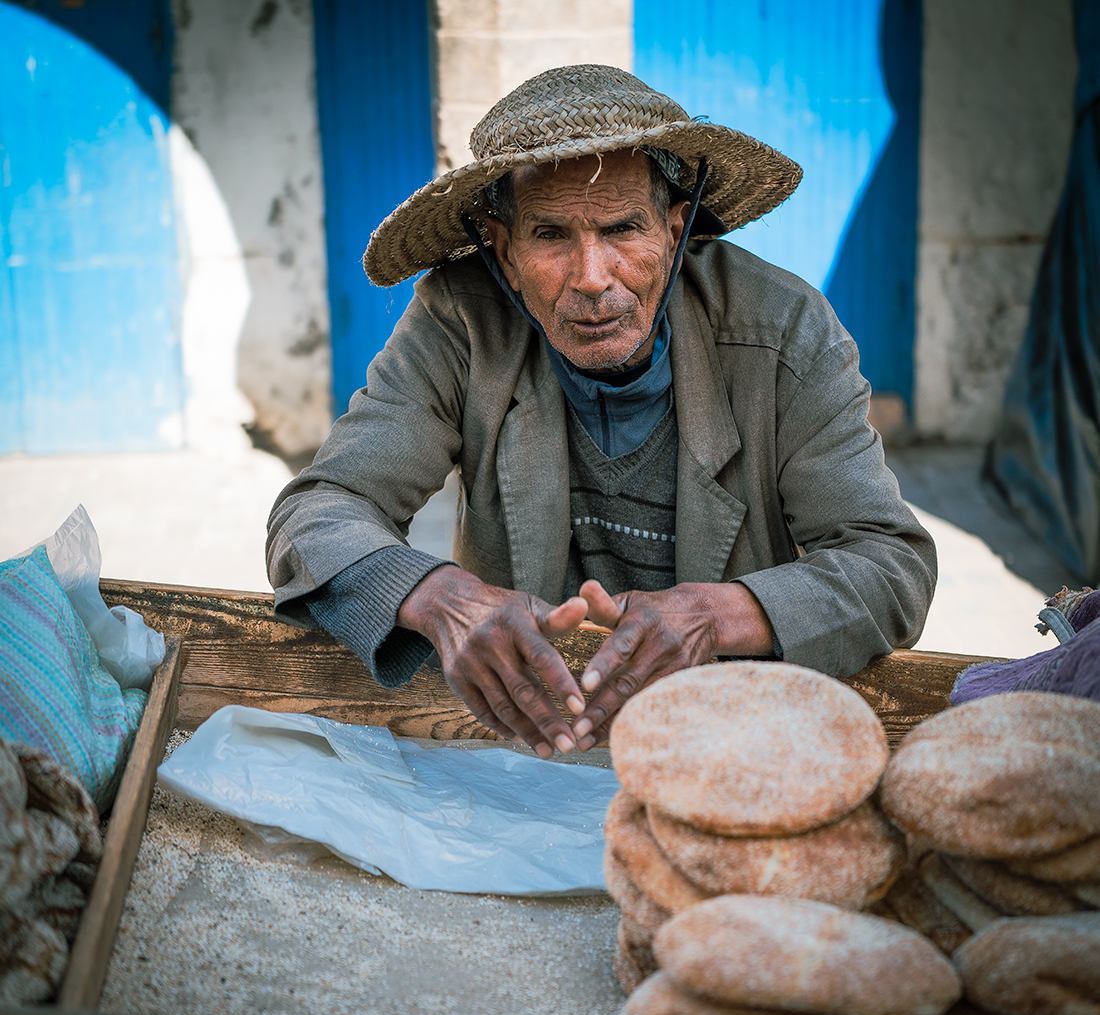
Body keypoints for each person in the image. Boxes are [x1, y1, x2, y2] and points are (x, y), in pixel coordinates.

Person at [267, 64, 936, 759]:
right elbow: (316, 513)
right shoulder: (461, 321)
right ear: (505, 249)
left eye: (622, 229)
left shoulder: (783, 329)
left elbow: (891, 566)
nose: (592, 278)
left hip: (733, 739)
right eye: (550, 234)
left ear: (673, 231)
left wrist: (714, 614)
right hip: (532, 741)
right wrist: (440, 597)